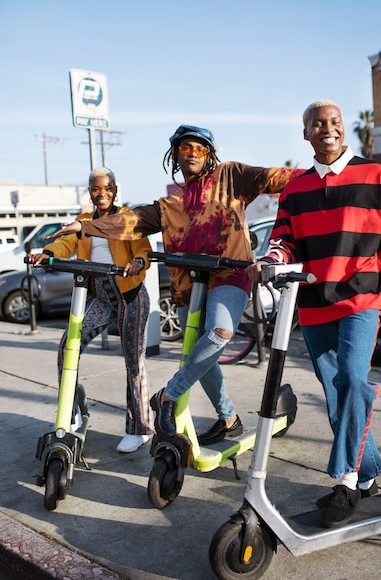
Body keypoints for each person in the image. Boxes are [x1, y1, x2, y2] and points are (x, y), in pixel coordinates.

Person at [44, 125, 302, 446]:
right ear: (175, 155)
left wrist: (327, 173)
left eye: (200, 148)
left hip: (229, 276)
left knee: (219, 333)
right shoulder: (170, 205)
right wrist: (85, 226)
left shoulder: (230, 176)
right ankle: (229, 419)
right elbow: (130, 221)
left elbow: (278, 177)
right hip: (186, 286)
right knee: (200, 355)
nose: (192, 153)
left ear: (209, 154)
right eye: (185, 148)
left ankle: (167, 396)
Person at [247, 100, 381, 529]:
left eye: (335, 123)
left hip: (363, 297)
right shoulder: (296, 188)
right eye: (317, 124)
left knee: (354, 381)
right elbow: (284, 239)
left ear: (344, 130)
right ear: (306, 134)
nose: (328, 129)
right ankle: (370, 471)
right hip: (314, 301)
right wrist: (271, 259)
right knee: (335, 390)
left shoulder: (375, 175)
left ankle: (346, 479)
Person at [30, 167, 154, 453]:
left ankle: (139, 429)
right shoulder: (84, 221)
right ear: (90, 191)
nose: (102, 194)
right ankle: (71, 410)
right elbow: (66, 242)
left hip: (130, 295)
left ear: (115, 190)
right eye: (96, 189)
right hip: (101, 295)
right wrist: (47, 253)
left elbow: (143, 248)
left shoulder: (126, 217)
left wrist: (137, 261)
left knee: (134, 362)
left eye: (107, 188)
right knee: (67, 347)